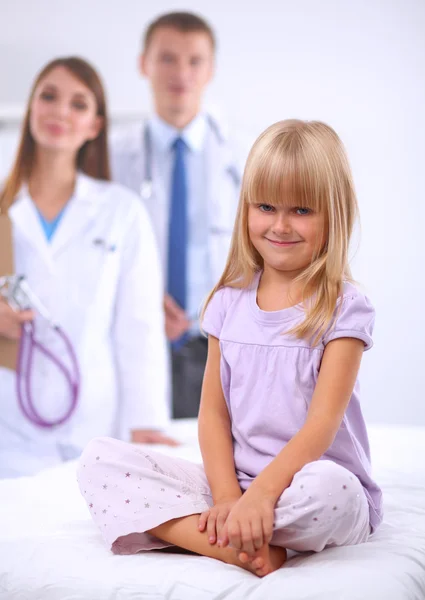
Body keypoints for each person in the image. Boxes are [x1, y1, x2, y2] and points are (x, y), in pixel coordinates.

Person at [78, 119, 383, 577]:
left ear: (334, 214)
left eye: (301, 210)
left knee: (334, 493)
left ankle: (205, 535)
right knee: (98, 461)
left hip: (305, 480)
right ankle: (241, 543)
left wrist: (263, 496)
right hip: (235, 486)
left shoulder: (344, 308)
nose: (280, 225)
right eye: (265, 206)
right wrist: (227, 498)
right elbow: (214, 415)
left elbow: (321, 426)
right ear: (245, 210)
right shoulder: (227, 302)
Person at [0, 57, 177, 479]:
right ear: (31, 111)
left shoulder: (122, 211)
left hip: (95, 421)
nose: (60, 111)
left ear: (95, 126)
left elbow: (139, 325)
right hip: (9, 422)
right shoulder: (5, 210)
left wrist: (147, 419)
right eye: (48, 96)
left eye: (78, 104)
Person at [111, 12, 246, 418]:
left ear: (211, 69)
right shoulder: (112, 157)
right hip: (135, 337)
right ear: (144, 64)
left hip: (221, 342)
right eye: (167, 58)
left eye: (194, 60)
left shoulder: (244, 156)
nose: (181, 73)